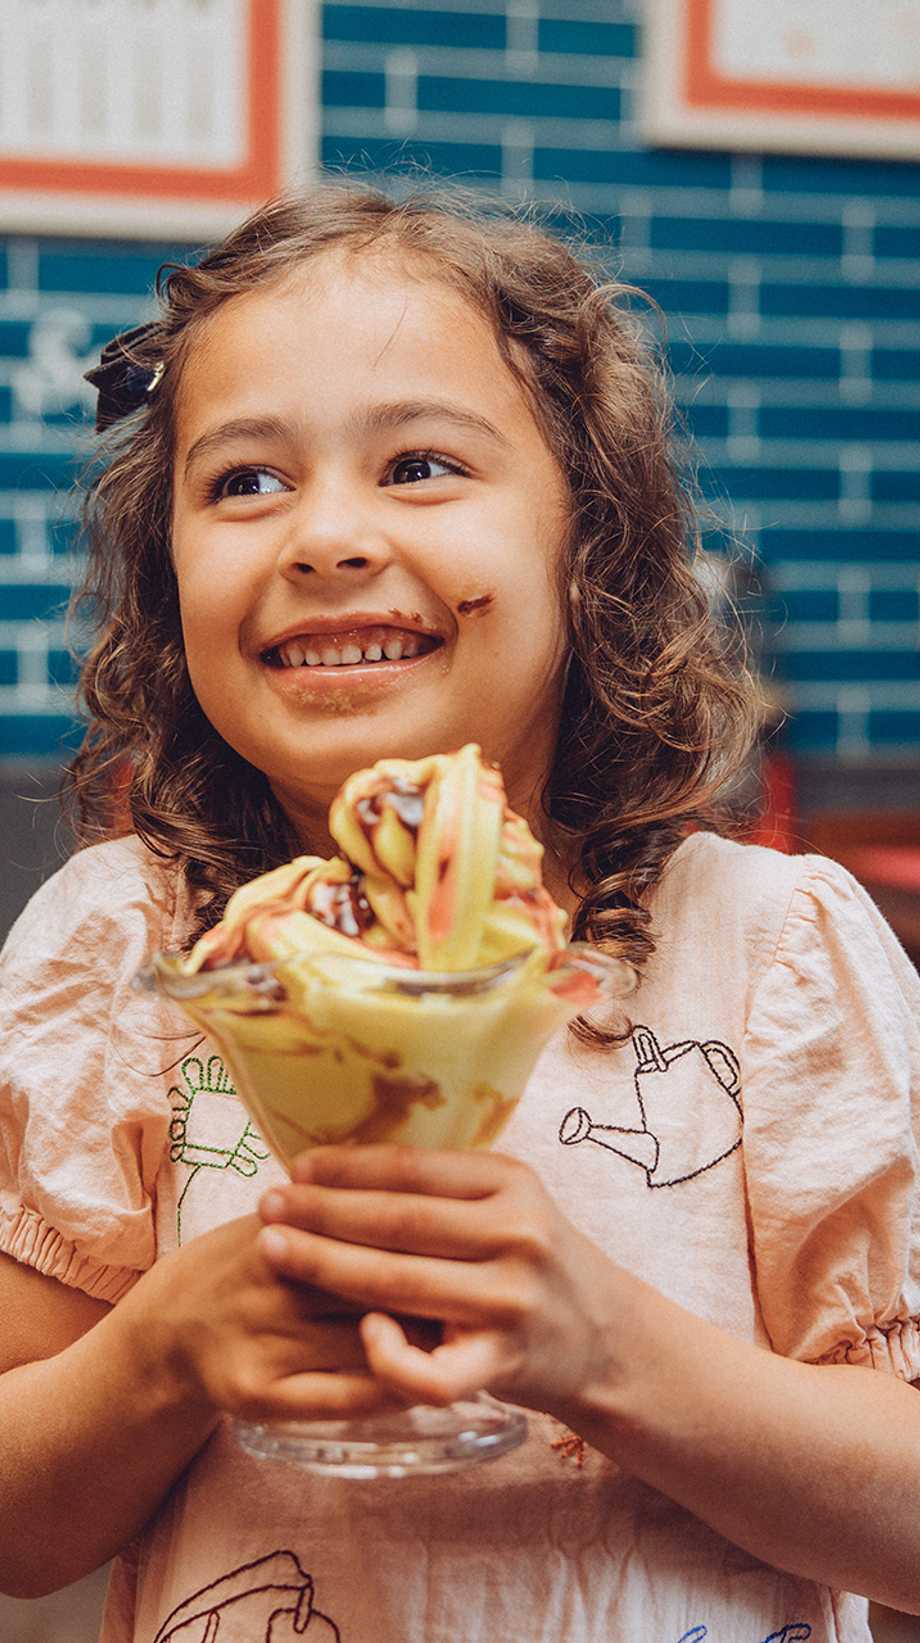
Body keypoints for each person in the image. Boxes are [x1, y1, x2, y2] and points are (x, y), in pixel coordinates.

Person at [1, 182, 918, 1643]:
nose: (325, 535)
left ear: (590, 546)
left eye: (421, 463)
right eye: (243, 482)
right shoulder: (126, 953)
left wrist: (604, 1352)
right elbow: (21, 1531)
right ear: (164, 581)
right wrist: (167, 1355)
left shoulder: (768, 954)